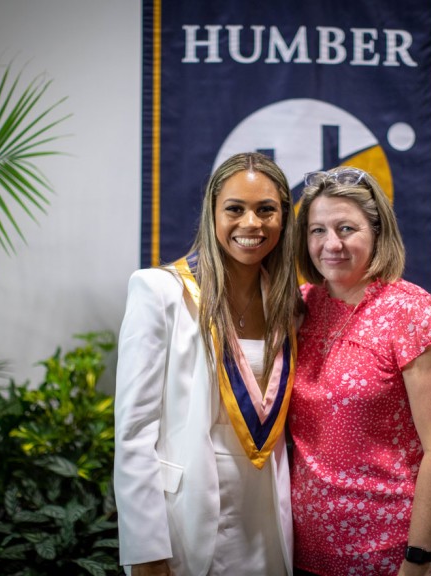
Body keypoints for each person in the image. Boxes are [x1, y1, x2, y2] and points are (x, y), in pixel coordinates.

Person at [114, 152, 301, 576]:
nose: (251, 224)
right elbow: (134, 432)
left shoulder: (290, 305)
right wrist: (145, 549)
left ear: (284, 218)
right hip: (186, 517)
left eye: (266, 210)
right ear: (212, 213)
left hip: (267, 514)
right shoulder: (160, 291)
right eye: (235, 209)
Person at [289, 167, 431, 576]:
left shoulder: (413, 314)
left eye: (346, 228)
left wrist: (417, 561)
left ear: (377, 232)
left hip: (391, 552)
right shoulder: (300, 307)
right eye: (317, 230)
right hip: (307, 550)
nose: (331, 243)